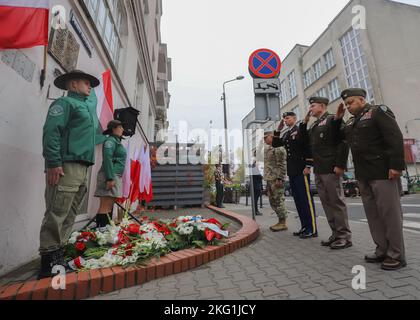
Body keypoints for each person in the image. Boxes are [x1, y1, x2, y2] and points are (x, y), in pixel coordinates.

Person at [335, 88, 406, 270]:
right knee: (373, 215)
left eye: (351, 102)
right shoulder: (351, 122)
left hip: (382, 172)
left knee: (390, 215)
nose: (348, 106)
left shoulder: (378, 111)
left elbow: (394, 137)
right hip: (363, 174)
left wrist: (396, 165)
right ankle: (382, 249)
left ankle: (396, 254)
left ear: (361, 99)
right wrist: (337, 119)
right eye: (346, 104)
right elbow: (339, 138)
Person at [39, 70, 100, 279]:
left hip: (82, 168)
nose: (90, 87)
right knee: (57, 211)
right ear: (73, 85)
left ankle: (59, 256)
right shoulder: (65, 104)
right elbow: (51, 132)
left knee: (70, 213)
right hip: (66, 165)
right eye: (86, 83)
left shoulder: (85, 107)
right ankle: (48, 263)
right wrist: (54, 162)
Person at [301, 96, 352, 249]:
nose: (310, 108)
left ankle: (344, 236)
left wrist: (340, 164)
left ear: (322, 106)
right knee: (327, 203)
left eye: (313, 106)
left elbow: (343, 142)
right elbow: (305, 142)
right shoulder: (315, 125)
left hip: (331, 168)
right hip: (320, 169)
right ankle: (335, 234)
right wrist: (304, 123)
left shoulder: (332, 119)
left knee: (336, 202)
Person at [272, 112, 318, 239]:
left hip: (302, 170)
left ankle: (312, 229)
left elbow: (307, 147)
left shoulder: (300, 130)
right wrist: (278, 129)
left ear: (294, 118)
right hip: (292, 171)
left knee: (306, 200)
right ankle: (304, 227)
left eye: (288, 118)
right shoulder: (287, 133)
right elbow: (275, 144)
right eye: (284, 119)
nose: (285, 120)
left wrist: (308, 166)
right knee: (298, 201)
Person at [94, 120, 127, 232]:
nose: (122, 129)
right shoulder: (110, 141)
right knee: (105, 205)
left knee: (109, 205)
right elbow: (107, 159)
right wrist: (109, 178)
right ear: (114, 128)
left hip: (114, 175)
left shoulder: (116, 141)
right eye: (120, 127)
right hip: (110, 175)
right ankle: (102, 230)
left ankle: (105, 229)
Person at [264, 130, 288, 231]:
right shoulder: (269, 148)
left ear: (272, 136)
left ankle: (283, 222)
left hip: (276, 178)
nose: (264, 140)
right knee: (272, 200)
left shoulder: (278, 148)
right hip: (270, 178)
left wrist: (280, 178)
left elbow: (282, 164)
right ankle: (280, 220)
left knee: (278, 200)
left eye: (266, 137)